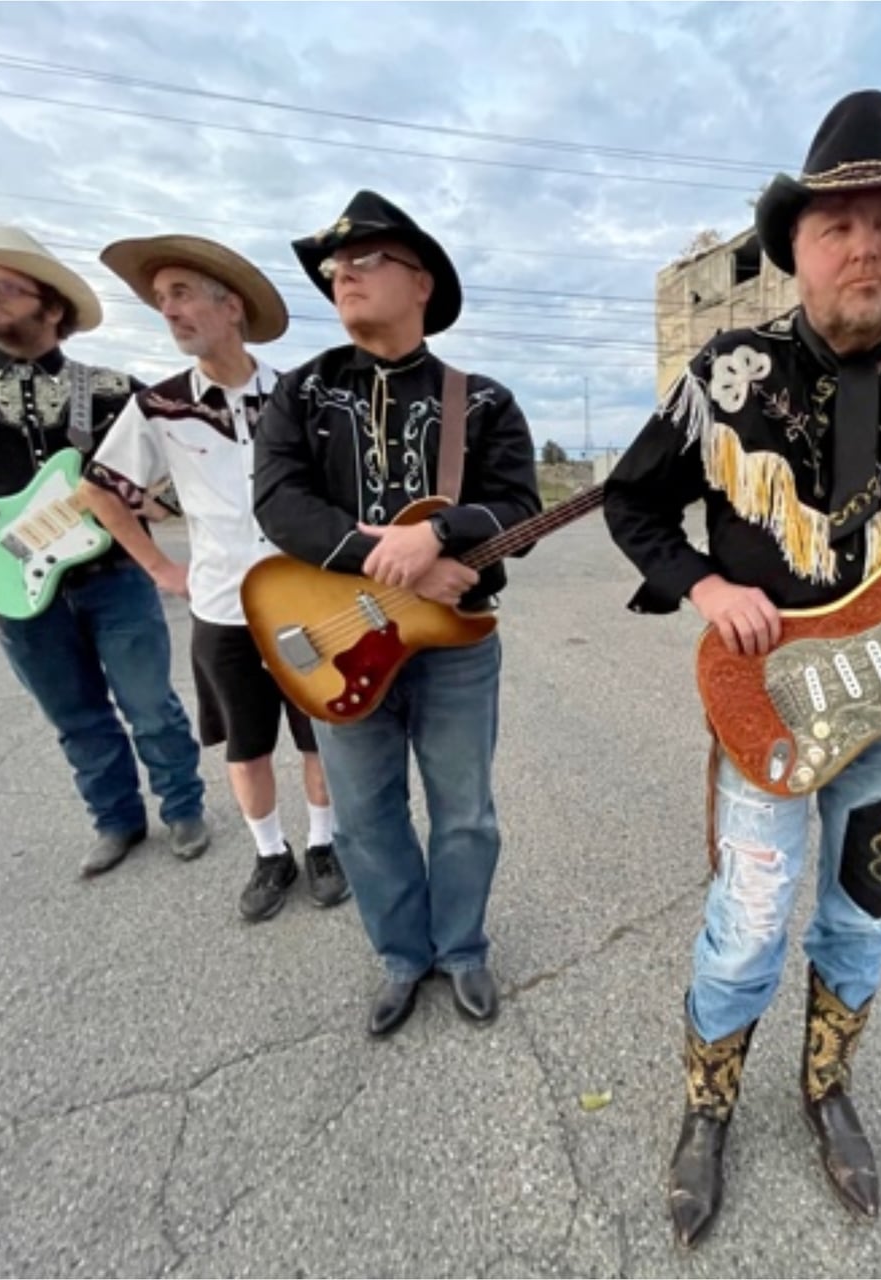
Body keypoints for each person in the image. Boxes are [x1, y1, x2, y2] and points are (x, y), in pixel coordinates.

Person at [603, 90, 881, 1245]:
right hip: (767, 712)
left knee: (862, 919)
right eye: (837, 224)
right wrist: (706, 583)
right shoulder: (725, 375)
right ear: (795, 247)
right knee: (746, 923)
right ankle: (707, 1106)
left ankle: (827, 1089)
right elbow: (633, 501)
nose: (864, 245)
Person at [253, 191, 541, 1035]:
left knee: (465, 812)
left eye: (366, 258)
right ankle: (400, 956)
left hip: (457, 650)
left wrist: (442, 536)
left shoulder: (483, 401)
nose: (342, 273)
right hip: (337, 645)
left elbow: (518, 507)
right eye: (334, 266)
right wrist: (394, 562)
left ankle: (460, 949)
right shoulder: (301, 394)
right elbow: (279, 501)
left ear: (421, 282)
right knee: (366, 817)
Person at [0, 225, 209, 877]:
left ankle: (183, 809)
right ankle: (116, 822)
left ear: (51, 306)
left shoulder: (112, 389)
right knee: (75, 715)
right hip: (12, 581)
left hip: (113, 574)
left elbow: (184, 465)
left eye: (6, 285)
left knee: (151, 706)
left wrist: (153, 504)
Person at [78, 234, 349, 922]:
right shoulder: (158, 407)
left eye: (181, 294)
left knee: (320, 728)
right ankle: (270, 855)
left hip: (306, 603)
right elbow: (101, 490)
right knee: (246, 740)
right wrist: (162, 567)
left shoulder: (300, 396)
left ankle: (324, 843)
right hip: (224, 607)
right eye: (161, 300)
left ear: (231, 309)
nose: (168, 311)